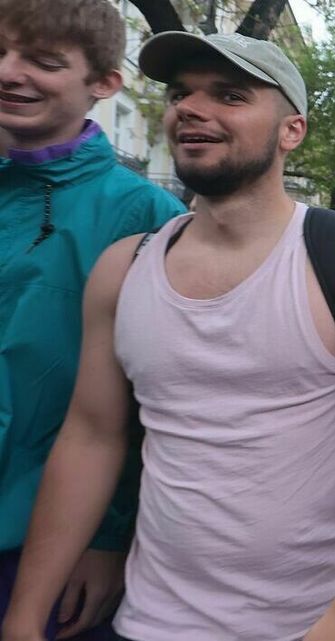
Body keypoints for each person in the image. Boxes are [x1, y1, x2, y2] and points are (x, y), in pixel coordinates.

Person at [1, 31, 335, 641]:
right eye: (180, 95)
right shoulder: (123, 269)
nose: (190, 109)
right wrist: (22, 615)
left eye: (229, 95)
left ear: (291, 130)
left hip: (314, 620)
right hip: (154, 620)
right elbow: (91, 437)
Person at [0, 1, 185, 638]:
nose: (9, 73)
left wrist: (109, 536)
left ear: (105, 84)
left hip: (42, 546)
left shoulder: (146, 216)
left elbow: (155, 400)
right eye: (1, 53)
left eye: (44, 62)